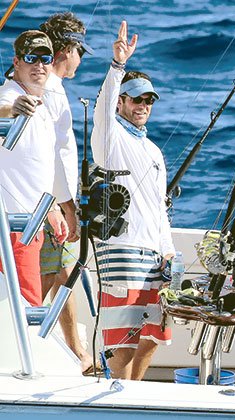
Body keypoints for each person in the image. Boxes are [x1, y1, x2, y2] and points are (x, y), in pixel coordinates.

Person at [91, 21, 175, 380]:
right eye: (136, 98)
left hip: (154, 255)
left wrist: (168, 251)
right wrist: (117, 66)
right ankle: (113, 409)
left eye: (148, 100)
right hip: (121, 251)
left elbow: (160, 208)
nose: (143, 105)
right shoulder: (110, 137)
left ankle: (134, 395)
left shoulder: (153, 149)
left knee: (155, 334)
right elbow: (102, 108)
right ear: (122, 101)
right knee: (122, 344)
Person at [39, 12, 96, 373]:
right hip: (50, 205)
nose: (81, 60)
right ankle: (25, 343)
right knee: (47, 277)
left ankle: (77, 351)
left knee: (63, 273)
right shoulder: (52, 92)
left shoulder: (45, 88)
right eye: (81, 52)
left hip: (48, 201)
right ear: (66, 50)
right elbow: (54, 157)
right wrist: (68, 207)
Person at [0, 30, 69, 306]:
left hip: (32, 225)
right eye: (31, 58)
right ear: (16, 62)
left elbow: (34, 167)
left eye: (45, 59)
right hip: (13, 228)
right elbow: (2, 108)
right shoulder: (11, 94)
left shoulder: (42, 106)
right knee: (26, 308)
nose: (39, 65)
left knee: (23, 307)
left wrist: (52, 209)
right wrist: (12, 110)